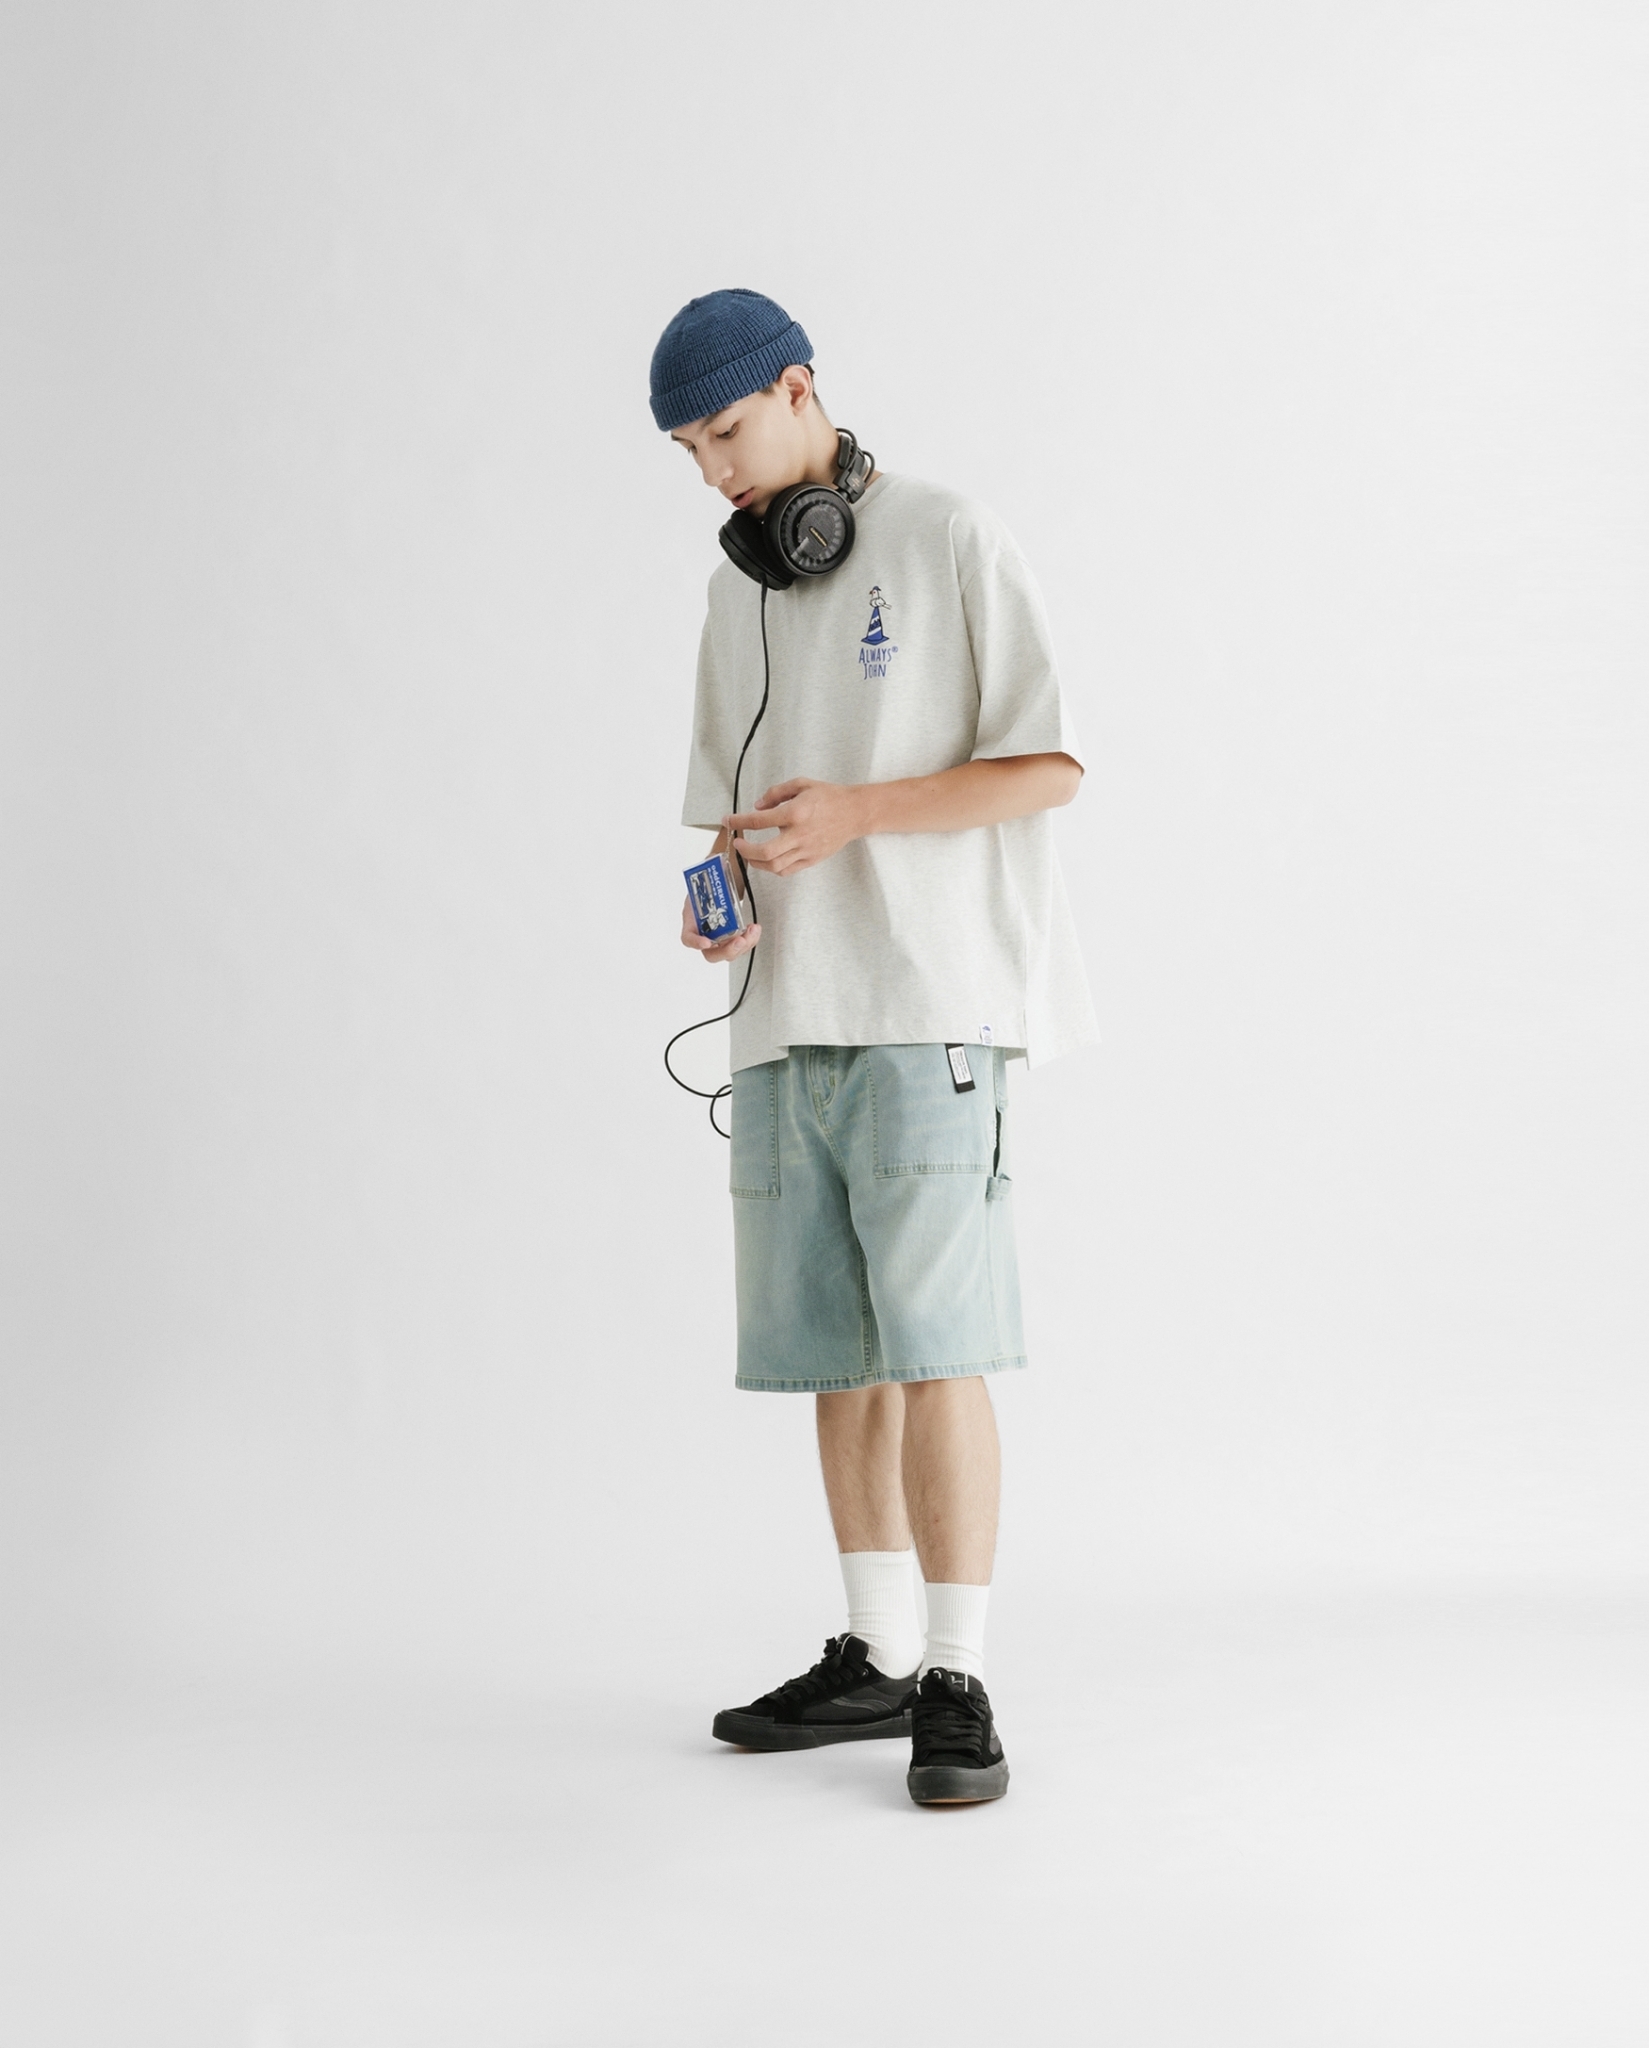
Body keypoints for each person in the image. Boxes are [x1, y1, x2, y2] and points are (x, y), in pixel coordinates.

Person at [653, 288, 1096, 1806]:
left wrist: (858, 813)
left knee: (935, 1348)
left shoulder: (947, 535)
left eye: (726, 433)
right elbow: (731, 804)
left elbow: (1048, 767)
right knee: (840, 1358)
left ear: (798, 388)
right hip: (787, 1015)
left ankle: (959, 1677)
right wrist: (719, 893)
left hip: (928, 1008)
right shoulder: (739, 593)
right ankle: (877, 1652)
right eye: (687, 452)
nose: (714, 473)